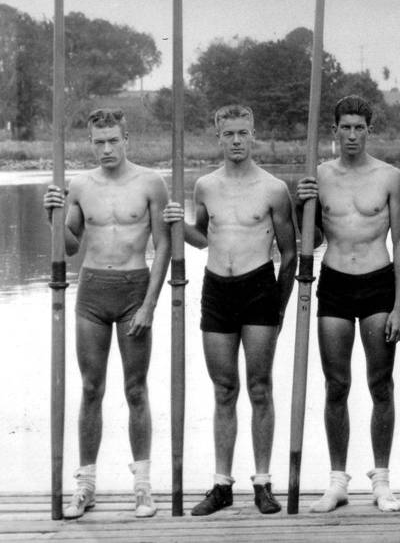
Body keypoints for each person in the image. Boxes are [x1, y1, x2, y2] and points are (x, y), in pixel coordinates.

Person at [163, 105, 297, 515]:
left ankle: (262, 483)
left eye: (243, 133)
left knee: (260, 388)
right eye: (229, 134)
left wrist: (279, 305)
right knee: (224, 389)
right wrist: (175, 223)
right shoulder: (204, 186)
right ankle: (222, 485)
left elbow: (290, 253)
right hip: (217, 290)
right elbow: (203, 239)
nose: (236, 140)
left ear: (253, 134)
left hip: (260, 289)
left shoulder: (274, 189)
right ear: (218, 136)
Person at [43, 108, 170, 519]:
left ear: (127, 137)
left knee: (136, 389)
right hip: (93, 292)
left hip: (135, 288)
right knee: (91, 388)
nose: (106, 148)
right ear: (90, 143)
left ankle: (143, 486)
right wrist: (53, 216)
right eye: (99, 142)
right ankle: (86, 485)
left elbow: (164, 246)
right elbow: (70, 247)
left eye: (113, 139)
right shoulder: (80, 185)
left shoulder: (150, 182)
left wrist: (150, 304)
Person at [295, 96, 400, 513]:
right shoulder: (319, 175)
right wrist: (299, 204)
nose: (352, 135)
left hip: (379, 283)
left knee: (381, 383)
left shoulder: (390, 177)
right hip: (336, 282)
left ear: (369, 129)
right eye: (345, 127)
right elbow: (309, 239)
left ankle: (381, 480)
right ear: (335, 130)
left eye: (360, 127)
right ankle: (337, 481)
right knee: (336, 385)